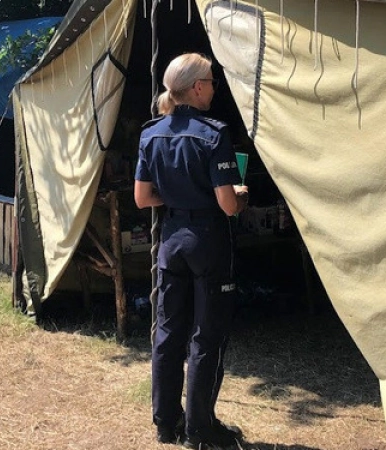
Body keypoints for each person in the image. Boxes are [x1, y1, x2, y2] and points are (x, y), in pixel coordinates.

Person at [134, 53, 249, 450]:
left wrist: (180, 192)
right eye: (213, 81)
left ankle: (167, 423)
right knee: (206, 336)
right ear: (197, 86)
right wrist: (240, 193)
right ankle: (200, 429)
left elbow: (142, 197)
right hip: (207, 240)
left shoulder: (151, 134)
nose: (215, 88)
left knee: (168, 333)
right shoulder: (215, 135)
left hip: (171, 240)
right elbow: (227, 204)